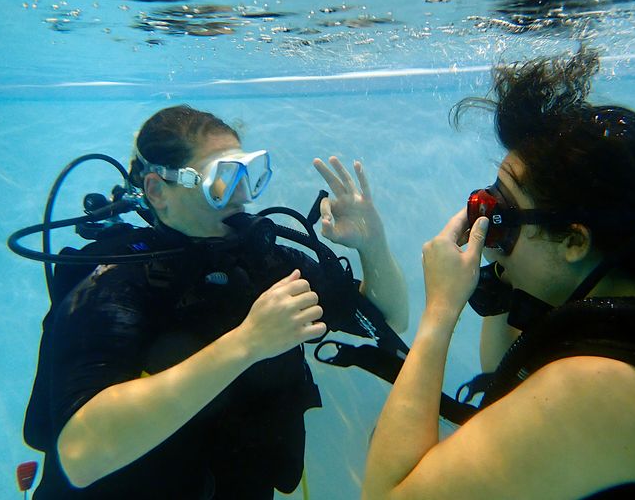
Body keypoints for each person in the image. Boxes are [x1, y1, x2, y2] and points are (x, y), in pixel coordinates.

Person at [361, 50, 635, 499]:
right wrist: (498, 260)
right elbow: (499, 371)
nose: (486, 229)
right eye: (486, 205)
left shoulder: (595, 389)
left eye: (501, 215)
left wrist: (440, 312)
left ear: (574, 242)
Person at [24, 104, 408, 499]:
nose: (242, 194)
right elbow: (80, 457)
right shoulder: (115, 281)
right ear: (157, 191)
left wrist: (372, 245)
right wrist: (247, 343)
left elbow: (389, 320)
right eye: (222, 179)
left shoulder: (262, 263)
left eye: (247, 173)